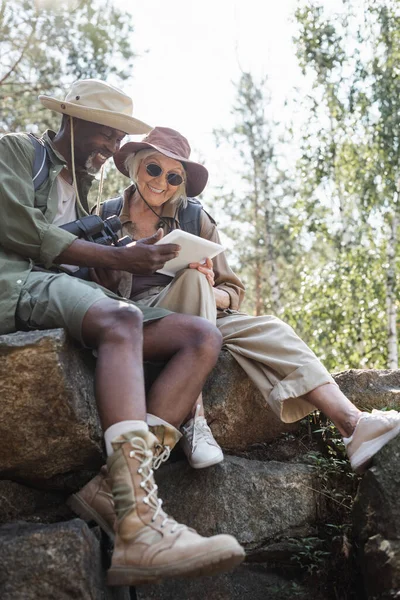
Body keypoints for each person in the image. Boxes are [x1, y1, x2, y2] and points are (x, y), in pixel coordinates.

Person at [0, 82, 245, 586]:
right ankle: (139, 525)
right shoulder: (17, 152)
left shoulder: (87, 197)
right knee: (123, 319)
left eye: (117, 139)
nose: (111, 147)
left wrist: (113, 271)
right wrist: (114, 257)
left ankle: (112, 494)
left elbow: (82, 274)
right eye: (106, 134)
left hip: (59, 293)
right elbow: (21, 231)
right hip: (16, 287)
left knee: (201, 338)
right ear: (72, 119)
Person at [103, 126, 400, 477]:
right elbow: (95, 289)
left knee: (272, 329)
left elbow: (233, 292)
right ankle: (193, 423)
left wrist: (207, 287)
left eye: (173, 176)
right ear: (136, 165)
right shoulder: (105, 217)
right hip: (141, 319)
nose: (161, 182)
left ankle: (353, 425)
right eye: (154, 168)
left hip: (202, 313)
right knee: (195, 281)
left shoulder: (194, 217)